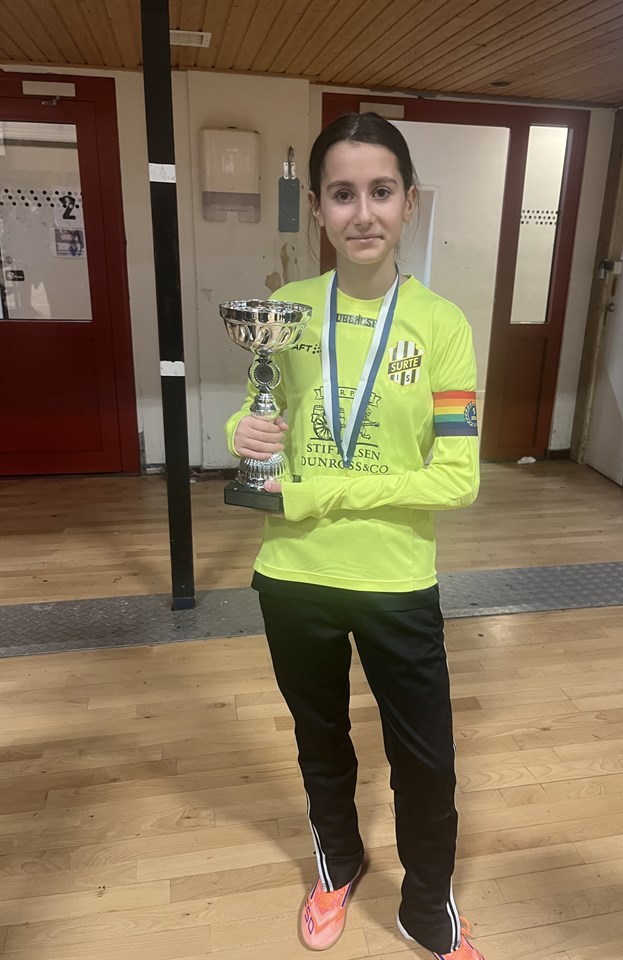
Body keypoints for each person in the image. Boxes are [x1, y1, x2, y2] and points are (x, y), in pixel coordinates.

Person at [225, 112, 484, 960]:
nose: (362, 212)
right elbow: (264, 415)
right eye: (342, 194)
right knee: (320, 740)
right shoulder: (288, 311)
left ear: (410, 203)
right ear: (318, 208)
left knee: (426, 760)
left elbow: (457, 478)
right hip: (293, 574)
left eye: (381, 191)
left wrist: (321, 491)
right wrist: (242, 432)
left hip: (395, 581)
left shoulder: (442, 325)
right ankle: (337, 865)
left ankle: (426, 909)